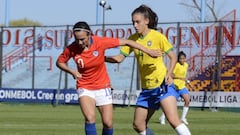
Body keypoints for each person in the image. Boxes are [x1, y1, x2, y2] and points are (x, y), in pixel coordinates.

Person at [56, 21, 161, 135]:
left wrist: (148, 51)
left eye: (82, 39)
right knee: (90, 118)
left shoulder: (100, 42)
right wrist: (72, 71)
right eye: (77, 39)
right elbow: (59, 62)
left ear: (89, 35)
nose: (79, 42)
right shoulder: (71, 48)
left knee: (108, 123)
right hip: (84, 86)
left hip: (103, 86)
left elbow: (127, 42)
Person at [105, 5, 191, 135]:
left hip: (162, 85)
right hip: (147, 89)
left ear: (147, 21)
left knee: (173, 120)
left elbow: (173, 57)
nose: (135, 25)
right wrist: (101, 57)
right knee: (138, 125)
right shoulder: (132, 39)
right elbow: (119, 58)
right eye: (133, 22)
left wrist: (169, 74)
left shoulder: (158, 36)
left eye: (137, 21)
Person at [159, 51, 193, 125]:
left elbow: (184, 75)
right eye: (181, 58)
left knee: (187, 100)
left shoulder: (186, 65)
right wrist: (180, 78)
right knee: (170, 104)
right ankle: (162, 117)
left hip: (182, 87)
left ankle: (183, 118)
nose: (182, 60)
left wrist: (187, 82)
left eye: (184, 58)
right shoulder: (176, 65)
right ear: (178, 59)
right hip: (174, 86)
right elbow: (171, 75)